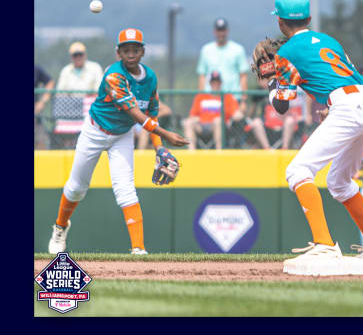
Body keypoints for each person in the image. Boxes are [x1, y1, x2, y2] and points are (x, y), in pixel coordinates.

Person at [254, 0, 363, 273]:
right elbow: (344, 78)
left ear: (280, 22)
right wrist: (333, 108)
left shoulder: (285, 53)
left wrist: (270, 82)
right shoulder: (330, 41)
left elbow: (282, 106)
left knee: (297, 171)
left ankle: (324, 244)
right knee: (339, 182)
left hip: (346, 108)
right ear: (308, 19)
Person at [47, 28, 188, 255]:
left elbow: (152, 113)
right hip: (95, 132)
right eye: (126, 50)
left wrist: (159, 146)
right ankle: (60, 227)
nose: (131, 54)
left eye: (135, 49)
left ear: (143, 52)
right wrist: (166, 134)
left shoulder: (150, 77)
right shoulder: (114, 75)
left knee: (126, 189)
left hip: (121, 135)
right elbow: (135, 113)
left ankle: (138, 248)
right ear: (118, 53)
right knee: (76, 188)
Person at [196, 17, 250, 112]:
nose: (221, 33)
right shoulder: (206, 50)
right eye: (219, 30)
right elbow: (202, 76)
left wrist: (244, 101)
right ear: (214, 32)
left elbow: (243, 77)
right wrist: (201, 99)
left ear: (227, 31)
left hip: (233, 99)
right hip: (211, 100)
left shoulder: (238, 50)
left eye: (223, 30)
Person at [184, 71, 243, 150]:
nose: (215, 84)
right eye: (213, 82)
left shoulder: (227, 97)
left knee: (217, 120)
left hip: (219, 126)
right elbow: (192, 115)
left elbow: (236, 113)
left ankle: (219, 152)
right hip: (201, 126)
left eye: (217, 82)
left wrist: (237, 115)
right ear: (210, 83)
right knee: (188, 122)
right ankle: (191, 152)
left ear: (220, 83)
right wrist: (196, 119)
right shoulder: (201, 97)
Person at [35, 64, 55, 149]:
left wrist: (42, 102)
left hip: (35, 114)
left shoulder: (36, 69)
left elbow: (50, 82)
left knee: (40, 141)